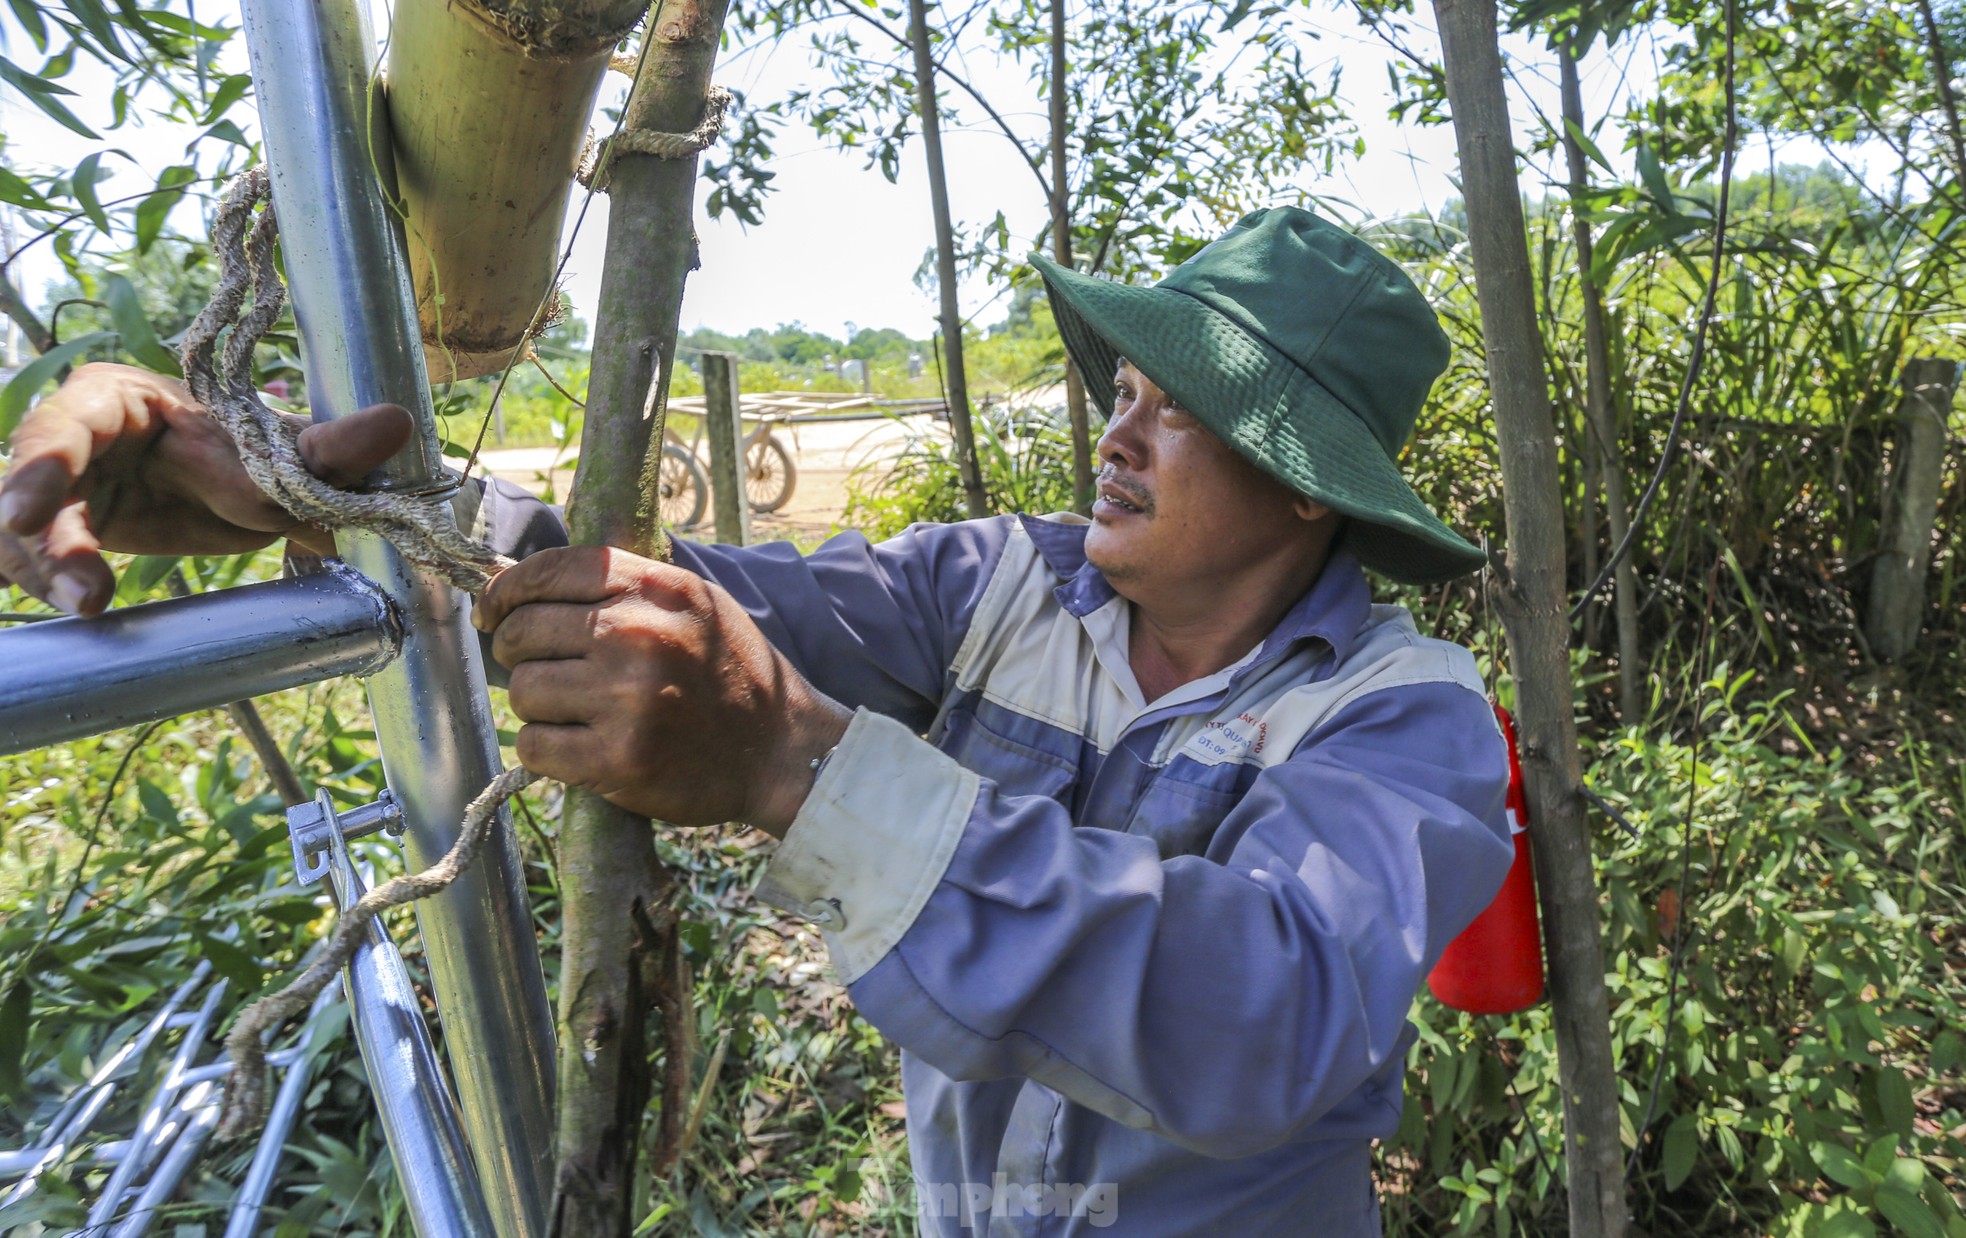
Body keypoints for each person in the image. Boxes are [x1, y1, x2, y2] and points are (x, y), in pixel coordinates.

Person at [0, 207, 1512, 1235]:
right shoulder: (999, 586)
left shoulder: (1398, 717)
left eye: (1176, 405)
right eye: (1123, 384)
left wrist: (794, 761)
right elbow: (690, 603)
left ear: (1306, 480)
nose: (1115, 430)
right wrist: (322, 482)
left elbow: (1274, 1018)